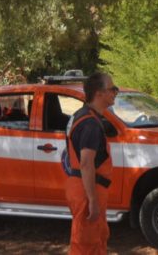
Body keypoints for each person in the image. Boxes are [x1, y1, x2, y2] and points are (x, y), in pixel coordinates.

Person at [64, 72, 118, 255]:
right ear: (99, 93)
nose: (116, 92)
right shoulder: (90, 124)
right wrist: (93, 200)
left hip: (85, 188)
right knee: (86, 244)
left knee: (97, 239)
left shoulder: (85, 116)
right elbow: (86, 164)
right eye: (113, 89)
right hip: (87, 190)